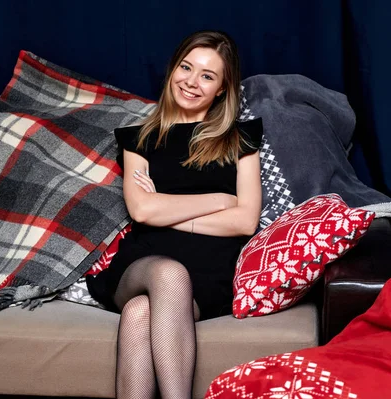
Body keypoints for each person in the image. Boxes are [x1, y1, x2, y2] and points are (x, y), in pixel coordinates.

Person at [86, 31, 263, 399]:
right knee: (168, 272)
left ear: (222, 90)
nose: (192, 82)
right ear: (173, 69)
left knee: (138, 314)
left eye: (207, 76)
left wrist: (168, 211)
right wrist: (220, 198)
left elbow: (246, 221)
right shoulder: (138, 139)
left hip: (209, 275)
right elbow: (142, 210)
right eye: (186, 67)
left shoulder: (241, 139)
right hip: (144, 262)